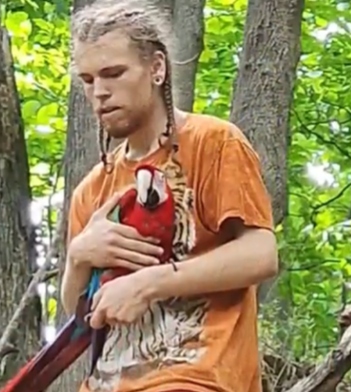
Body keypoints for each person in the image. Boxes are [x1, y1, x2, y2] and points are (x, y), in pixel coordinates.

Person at [60, 1, 278, 391]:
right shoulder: (92, 190)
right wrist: (79, 256)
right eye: (88, 80)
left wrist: (150, 283)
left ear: (157, 68)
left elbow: (261, 254)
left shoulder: (214, 143)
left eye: (113, 73)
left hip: (196, 378)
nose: (100, 92)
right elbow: (78, 311)